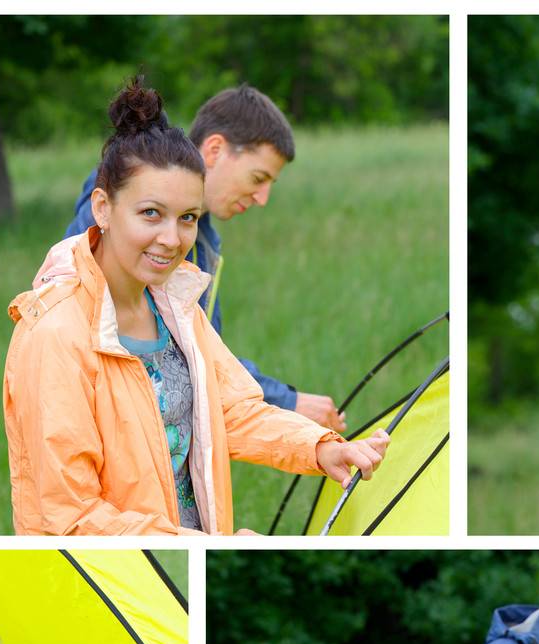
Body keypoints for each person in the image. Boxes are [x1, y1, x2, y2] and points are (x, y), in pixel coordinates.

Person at [4, 75, 387, 535]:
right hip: (124, 583)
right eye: (151, 213)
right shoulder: (54, 335)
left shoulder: (178, 306)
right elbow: (70, 516)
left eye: (187, 218)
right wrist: (201, 548)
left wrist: (322, 448)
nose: (172, 239)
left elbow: (230, 409)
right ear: (103, 208)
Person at [65, 84, 343, 430]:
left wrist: (305, 437)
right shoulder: (120, 202)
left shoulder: (202, 242)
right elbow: (78, 326)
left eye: (187, 218)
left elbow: (203, 359)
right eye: (258, 178)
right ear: (215, 149)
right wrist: (285, 402)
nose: (262, 198)